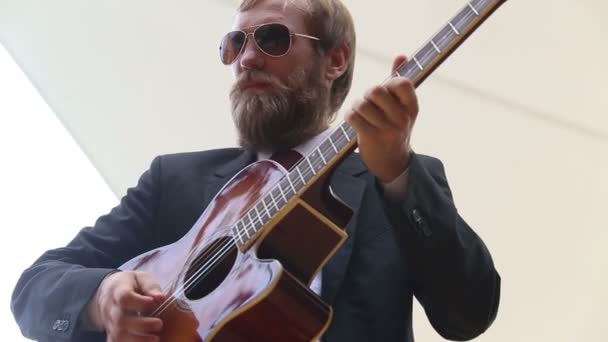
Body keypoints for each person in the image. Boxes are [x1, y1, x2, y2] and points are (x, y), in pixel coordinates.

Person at [11, 0, 501, 341]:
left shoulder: (394, 179)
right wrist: (103, 296)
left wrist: (396, 172)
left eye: (272, 38)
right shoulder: (175, 180)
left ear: (336, 60)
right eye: (234, 44)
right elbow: (35, 286)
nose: (247, 58)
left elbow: (468, 314)